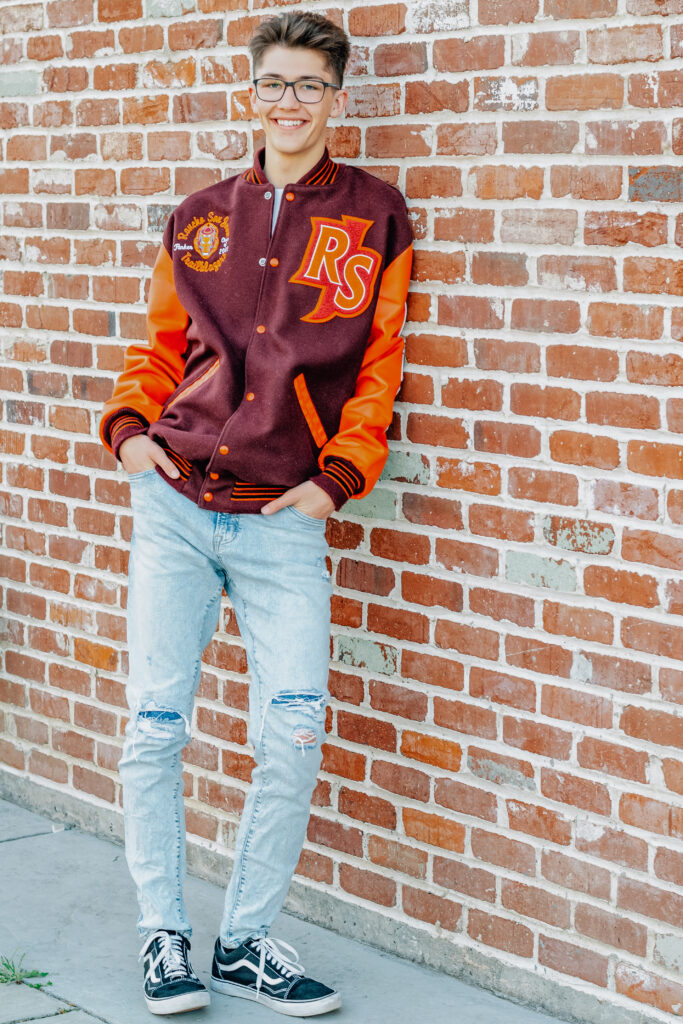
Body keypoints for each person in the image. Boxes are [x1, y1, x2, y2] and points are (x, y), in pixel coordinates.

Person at [98, 10, 414, 1017]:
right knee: (154, 725)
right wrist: (129, 433)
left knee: (294, 729)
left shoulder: (374, 215)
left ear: (336, 97)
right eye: (273, 83)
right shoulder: (198, 215)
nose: (289, 102)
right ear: (252, 92)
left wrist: (336, 478)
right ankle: (164, 937)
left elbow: (379, 365)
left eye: (308, 86)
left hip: (285, 516)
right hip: (177, 501)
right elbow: (157, 350)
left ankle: (242, 941)